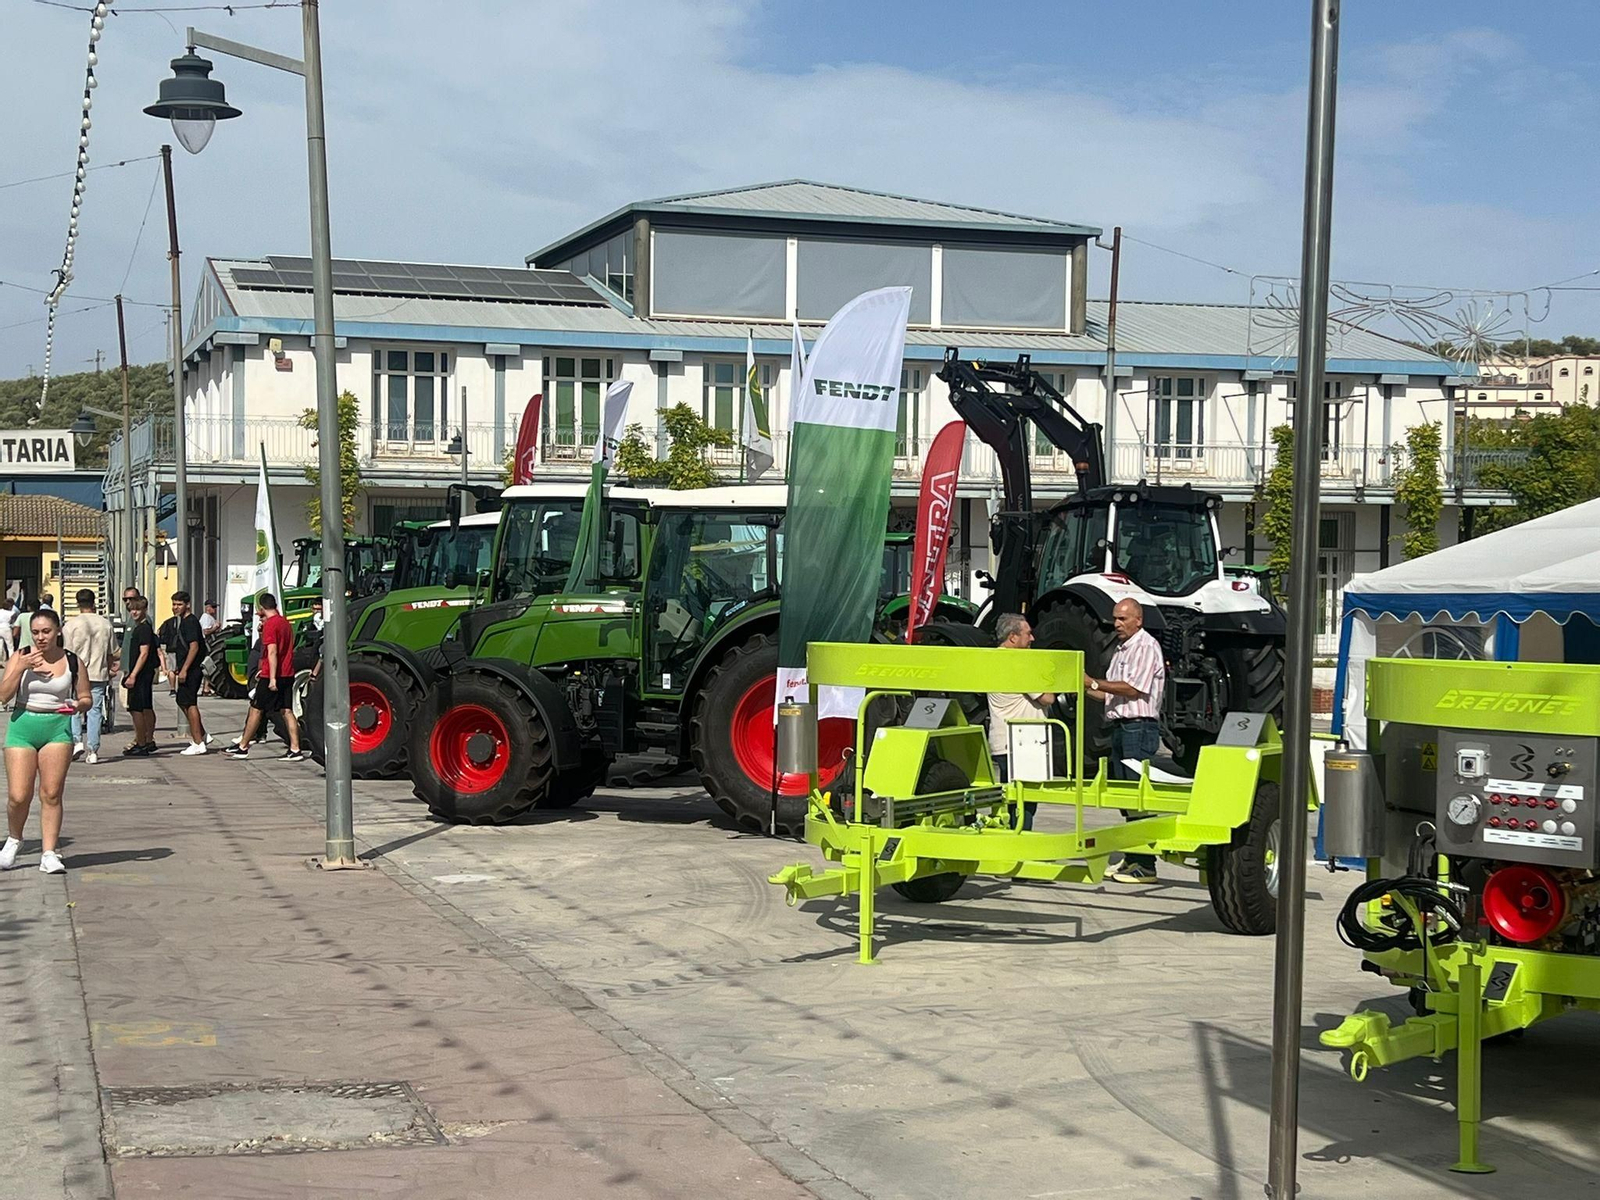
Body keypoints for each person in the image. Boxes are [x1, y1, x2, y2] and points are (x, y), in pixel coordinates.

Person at [0, 609, 92, 873]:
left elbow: (86, 698)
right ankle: (14, 840)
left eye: (46, 631)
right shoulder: (20, 655)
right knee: (19, 795)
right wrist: (20, 668)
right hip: (23, 726)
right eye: (36, 632)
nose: (41, 637)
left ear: (58, 631)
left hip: (57, 728)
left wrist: (77, 705)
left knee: (51, 793)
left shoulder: (72, 661)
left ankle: (49, 853)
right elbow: (3, 695)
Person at [1084, 597, 1167, 884]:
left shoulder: (1145, 646)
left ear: (1138, 620)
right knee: (1124, 795)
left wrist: (1091, 682)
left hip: (1138, 727)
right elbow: (1109, 694)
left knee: (1137, 794)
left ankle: (1146, 864)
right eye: (1115, 619)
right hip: (1121, 725)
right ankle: (1133, 858)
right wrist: (1079, 687)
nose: (1116, 624)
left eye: (1122, 619)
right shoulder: (1122, 650)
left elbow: (1132, 689)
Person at [985, 613, 1056, 831]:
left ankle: (1012, 841)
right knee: (1023, 804)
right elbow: (1047, 697)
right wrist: (1050, 676)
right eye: (1028, 633)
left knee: (1013, 800)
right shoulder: (1017, 664)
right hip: (1022, 742)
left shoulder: (991, 660)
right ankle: (1019, 847)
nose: (1032, 639)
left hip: (1004, 740)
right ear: (1013, 637)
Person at [225, 593, 304, 761]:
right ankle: (295, 748)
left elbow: (273, 651)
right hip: (288, 672)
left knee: (256, 708)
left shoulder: (270, 625)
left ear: (262, 608)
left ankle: (243, 746)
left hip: (272, 674)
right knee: (287, 710)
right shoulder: (285, 623)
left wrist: (272, 677)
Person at [63, 589, 114, 765]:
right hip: (99, 671)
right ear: (94, 603)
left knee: (75, 708)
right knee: (95, 711)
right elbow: (112, 651)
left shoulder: (70, 625)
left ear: (78, 603)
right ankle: (93, 750)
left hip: (76, 673)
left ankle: (77, 741)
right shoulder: (105, 624)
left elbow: (67, 652)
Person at [169, 592, 210, 754]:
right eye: (174, 604)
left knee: (190, 703)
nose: (175, 608)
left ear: (188, 605)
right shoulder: (184, 622)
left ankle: (198, 742)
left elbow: (194, 647)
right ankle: (202, 734)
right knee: (182, 700)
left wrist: (185, 669)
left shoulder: (190, 622)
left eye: (179, 604)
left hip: (192, 670)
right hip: (186, 668)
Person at [121, 597, 159, 756]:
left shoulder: (142, 629)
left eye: (137, 609)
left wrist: (133, 675)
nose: (134, 612)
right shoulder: (143, 628)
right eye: (131, 610)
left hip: (141, 674)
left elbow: (143, 654)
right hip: (145, 673)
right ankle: (148, 740)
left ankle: (142, 742)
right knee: (146, 707)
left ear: (144, 610)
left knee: (136, 709)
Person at [0, 594, 17, 664]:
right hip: (6, 628)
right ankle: (12, 661)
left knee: (0, 645)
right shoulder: (12, 613)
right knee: (10, 646)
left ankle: (0, 660)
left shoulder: (0, 611)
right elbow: (13, 622)